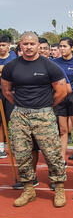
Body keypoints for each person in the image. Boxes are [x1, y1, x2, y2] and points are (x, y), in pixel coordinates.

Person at [1, 32, 68, 207]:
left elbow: (61, 91)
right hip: (20, 116)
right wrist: (22, 105)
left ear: (38, 45)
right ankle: (28, 190)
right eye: (25, 44)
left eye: (32, 44)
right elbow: (7, 91)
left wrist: (47, 106)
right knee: (22, 154)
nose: (29, 47)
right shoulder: (11, 67)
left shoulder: (50, 66)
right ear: (20, 46)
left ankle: (59, 188)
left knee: (52, 154)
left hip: (44, 114)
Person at [52, 37, 73, 172]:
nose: (62, 49)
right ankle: (61, 159)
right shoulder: (54, 63)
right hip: (60, 97)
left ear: (72, 48)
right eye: (61, 46)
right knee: (63, 130)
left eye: (65, 46)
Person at [0, 34, 16, 159]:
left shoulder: (13, 56)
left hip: (10, 92)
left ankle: (16, 144)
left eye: (3, 45)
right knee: (0, 121)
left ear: (9, 45)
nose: (1, 47)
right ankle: (1, 147)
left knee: (11, 119)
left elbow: (10, 69)